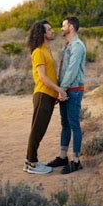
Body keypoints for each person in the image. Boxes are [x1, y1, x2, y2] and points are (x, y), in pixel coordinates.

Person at [24, 20, 68, 174]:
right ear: (42, 34)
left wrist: (56, 93)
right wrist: (59, 90)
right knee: (37, 130)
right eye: (49, 30)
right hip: (42, 94)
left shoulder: (47, 50)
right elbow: (42, 77)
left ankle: (31, 161)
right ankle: (31, 163)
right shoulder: (38, 52)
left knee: (40, 130)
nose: (52, 31)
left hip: (48, 96)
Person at [47, 16, 86, 174]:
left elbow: (72, 70)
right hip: (65, 90)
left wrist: (61, 90)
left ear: (71, 27)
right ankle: (63, 156)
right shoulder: (68, 45)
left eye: (63, 25)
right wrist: (60, 90)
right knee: (65, 124)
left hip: (74, 90)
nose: (61, 28)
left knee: (74, 124)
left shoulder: (78, 46)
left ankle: (76, 161)